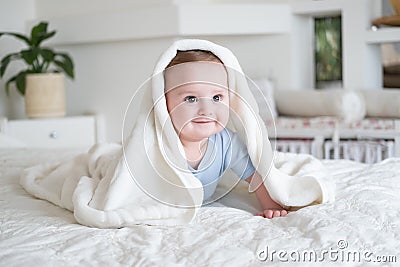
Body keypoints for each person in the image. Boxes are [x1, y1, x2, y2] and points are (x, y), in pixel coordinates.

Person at [163, 49, 288, 219]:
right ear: (164, 102)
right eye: (191, 98)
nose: (206, 110)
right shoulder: (158, 144)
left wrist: (271, 205)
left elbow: (255, 176)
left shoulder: (226, 142)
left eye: (216, 97)